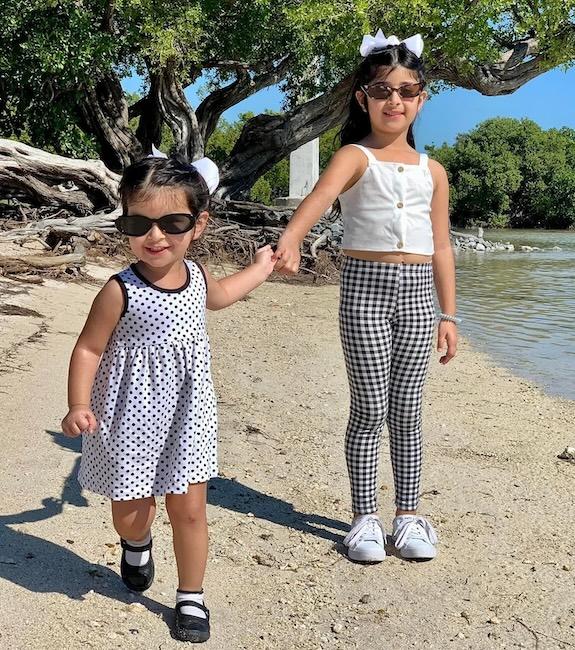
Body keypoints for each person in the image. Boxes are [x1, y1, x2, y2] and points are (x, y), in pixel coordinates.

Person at [61, 153, 275, 642]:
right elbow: (88, 348)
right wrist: (78, 404)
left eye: (172, 222)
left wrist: (260, 269)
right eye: (139, 223)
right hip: (127, 418)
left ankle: (191, 596)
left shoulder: (197, 277)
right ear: (125, 224)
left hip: (188, 415)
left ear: (198, 224)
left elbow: (221, 295)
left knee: (190, 509)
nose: (155, 236)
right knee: (130, 511)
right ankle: (136, 544)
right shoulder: (121, 290)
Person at [274, 30, 458, 563]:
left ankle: (408, 514)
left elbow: (442, 246)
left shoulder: (434, 171)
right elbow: (320, 196)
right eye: (382, 90)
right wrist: (291, 238)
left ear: (421, 99)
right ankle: (364, 518)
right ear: (363, 98)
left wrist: (450, 314)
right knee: (370, 406)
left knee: (408, 408)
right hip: (365, 291)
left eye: (406, 91)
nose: (394, 101)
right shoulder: (355, 156)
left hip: (421, 295)